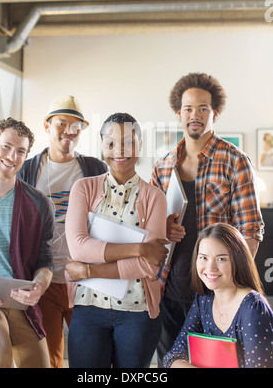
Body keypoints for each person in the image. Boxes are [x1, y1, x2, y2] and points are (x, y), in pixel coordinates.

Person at [151, 72, 264, 366]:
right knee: (170, 363)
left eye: (203, 108)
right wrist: (161, 228)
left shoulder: (234, 160)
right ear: (179, 114)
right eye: (188, 108)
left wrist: (228, 286)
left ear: (215, 113)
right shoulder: (163, 167)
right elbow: (148, 228)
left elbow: (250, 230)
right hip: (169, 290)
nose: (195, 115)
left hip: (213, 293)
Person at [65, 113, 169, 368]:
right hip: (88, 310)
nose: (119, 151)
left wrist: (89, 269)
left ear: (140, 145)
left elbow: (148, 265)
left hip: (138, 314)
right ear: (102, 146)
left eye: (128, 143)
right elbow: (78, 246)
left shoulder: (154, 196)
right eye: (111, 143)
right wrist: (139, 248)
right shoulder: (83, 188)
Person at [18, 95, 107, 368]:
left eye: (76, 125)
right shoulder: (27, 170)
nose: (69, 130)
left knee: (93, 359)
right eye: (61, 123)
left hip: (84, 278)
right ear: (47, 126)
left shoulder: (95, 169)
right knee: (51, 359)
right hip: (44, 280)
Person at [0, 118, 54, 368]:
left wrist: (39, 286)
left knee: (40, 365)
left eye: (21, 151)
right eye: (6, 147)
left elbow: (45, 262)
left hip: (20, 304)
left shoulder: (39, 204)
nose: (12, 156)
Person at [163, 223, 273, 368]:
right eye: (203, 258)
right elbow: (172, 357)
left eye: (221, 259)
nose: (210, 268)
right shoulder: (204, 299)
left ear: (238, 261)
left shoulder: (253, 308)